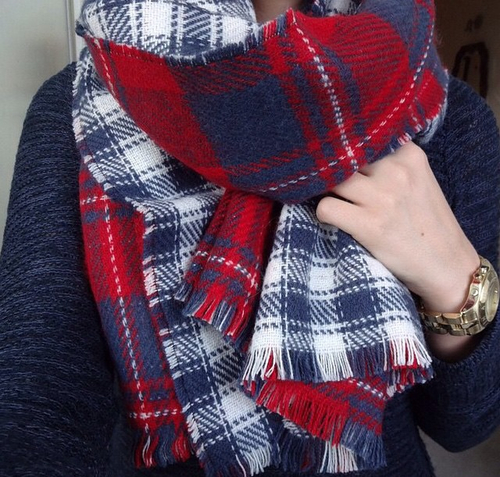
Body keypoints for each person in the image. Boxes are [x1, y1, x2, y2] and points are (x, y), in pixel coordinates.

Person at [1, 0, 500, 476]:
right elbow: (37, 399)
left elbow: (466, 426)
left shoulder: (443, 112)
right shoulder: (77, 107)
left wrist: (455, 279)